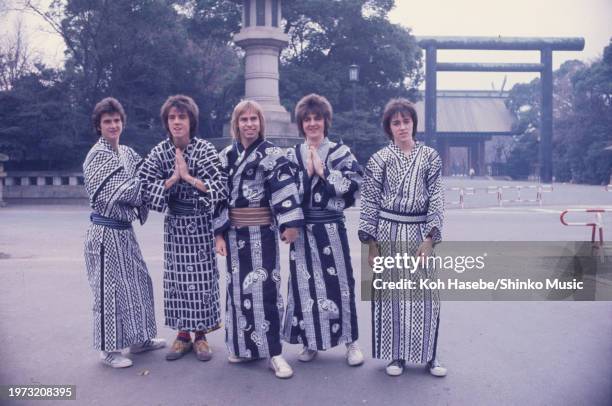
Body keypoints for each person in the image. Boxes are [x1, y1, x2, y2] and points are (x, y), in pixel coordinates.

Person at [214, 100, 304, 379]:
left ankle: (274, 353)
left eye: (254, 119)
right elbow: (217, 196)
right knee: (238, 293)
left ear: (260, 123)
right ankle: (242, 347)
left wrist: (289, 223)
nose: (249, 124)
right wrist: (218, 233)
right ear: (236, 124)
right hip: (233, 232)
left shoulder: (273, 154)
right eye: (244, 119)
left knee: (266, 292)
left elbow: (284, 187)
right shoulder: (226, 155)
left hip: (262, 232)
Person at [358, 98, 446, 377]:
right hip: (387, 231)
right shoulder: (379, 160)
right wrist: (372, 245)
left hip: (420, 230)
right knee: (391, 296)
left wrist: (430, 238)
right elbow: (370, 202)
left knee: (426, 295)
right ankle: (396, 355)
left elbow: (436, 198)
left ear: (413, 124)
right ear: (389, 127)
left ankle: (430, 355)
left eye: (406, 121)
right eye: (396, 123)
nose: (402, 127)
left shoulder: (430, 156)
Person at [139, 95, 226, 362]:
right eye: (172, 117)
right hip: (175, 224)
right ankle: (182, 335)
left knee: (201, 282)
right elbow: (143, 185)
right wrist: (172, 180)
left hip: (200, 224)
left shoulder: (205, 150)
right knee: (176, 281)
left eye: (182, 117)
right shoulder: (159, 152)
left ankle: (200, 336)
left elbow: (222, 186)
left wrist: (188, 178)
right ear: (167, 122)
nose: (177, 122)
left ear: (191, 121)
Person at [281, 94, 364, 366]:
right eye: (307, 119)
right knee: (304, 286)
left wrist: (325, 172)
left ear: (326, 121)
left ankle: (350, 342)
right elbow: (285, 193)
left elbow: (354, 187)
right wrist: (307, 173)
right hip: (302, 229)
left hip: (330, 226)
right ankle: (309, 341)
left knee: (339, 284)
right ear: (301, 124)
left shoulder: (341, 153)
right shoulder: (293, 155)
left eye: (317, 118)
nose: (313, 123)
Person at [83, 97, 165, 368]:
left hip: (125, 233)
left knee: (138, 283)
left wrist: (167, 177)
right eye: (107, 121)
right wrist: (167, 183)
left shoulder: (128, 153)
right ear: (98, 125)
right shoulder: (97, 156)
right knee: (110, 291)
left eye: (117, 120)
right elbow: (125, 192)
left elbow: (147, 176)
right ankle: (108, 351)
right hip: (105, 233)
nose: (113, 125)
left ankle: (139, 340)